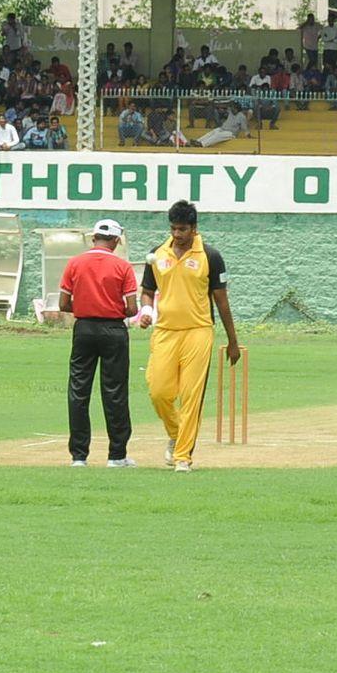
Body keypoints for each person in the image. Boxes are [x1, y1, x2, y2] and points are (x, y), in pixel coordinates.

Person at [136, 200, 241, 473]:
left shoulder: (211, 256)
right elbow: (147, 290)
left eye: (182, 229)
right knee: (159, 391)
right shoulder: (157, 254)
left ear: (194, 228)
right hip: (166, 331)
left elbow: (222, 302)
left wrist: (232, 341)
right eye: (173, 229)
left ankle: (183, 456)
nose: (177, 235)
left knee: (190, 395)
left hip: (198, 331)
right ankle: (176, 432)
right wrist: (146, 309)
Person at [58, 219, 139, 468]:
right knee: (114, 392)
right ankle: (117, 455)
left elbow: (63, 304)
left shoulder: (74, 263)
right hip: (113, 330)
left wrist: (85, 306)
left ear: (94, 238)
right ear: (115, 241)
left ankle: (79, 456)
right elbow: (132, 308)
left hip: (83, 329)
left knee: (79, 391)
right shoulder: (123, 267)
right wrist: (110, 308)